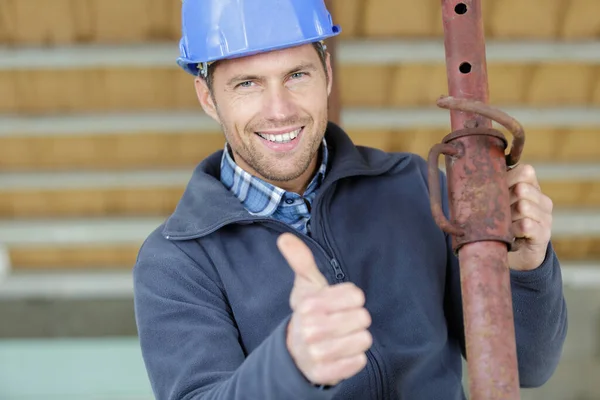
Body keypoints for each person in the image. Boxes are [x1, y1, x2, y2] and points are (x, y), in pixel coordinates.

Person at [132, 0, 568, 399]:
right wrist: (290, 365)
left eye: (296, 75)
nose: (280, 110)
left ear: (327, 72)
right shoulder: (176, 261)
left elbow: (528, 365)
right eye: (247, 84)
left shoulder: (415, 186)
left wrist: (526, 267)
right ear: (209, 98)